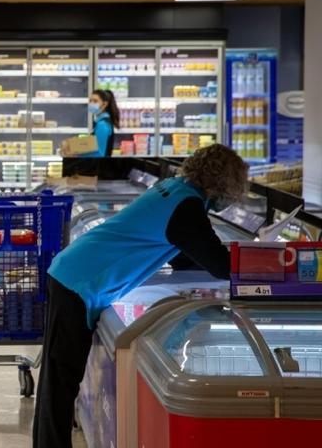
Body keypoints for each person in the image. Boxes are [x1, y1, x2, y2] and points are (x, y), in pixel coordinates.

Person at [32, 144, 248, 448]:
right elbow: (219, 265)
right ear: (225, 182)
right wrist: (259, 261)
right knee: (60, 386)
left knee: (59, 382)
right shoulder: (186, 207)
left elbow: (181, 255)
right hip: (77, 282)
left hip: (75, 275)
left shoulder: (175, 189)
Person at [62, 89, 119, 158]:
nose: (91, 104)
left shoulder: (102, 125)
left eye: (95, 101)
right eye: (90, 101)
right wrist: (73, 145)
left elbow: (99, 153)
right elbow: (94, 144)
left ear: (104, 104)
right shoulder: (101, 122)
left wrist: (74, 148)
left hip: (99, 167)